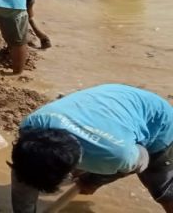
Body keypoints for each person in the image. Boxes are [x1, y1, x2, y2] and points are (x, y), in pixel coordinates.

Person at [11, 84, 173, 213]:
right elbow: (23, 175)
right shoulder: (31, 126)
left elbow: (140, 161)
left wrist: (93, 181)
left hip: (155, 120)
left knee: (164, 191)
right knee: (30, 172)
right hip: (104, 101)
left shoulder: (116, 154)